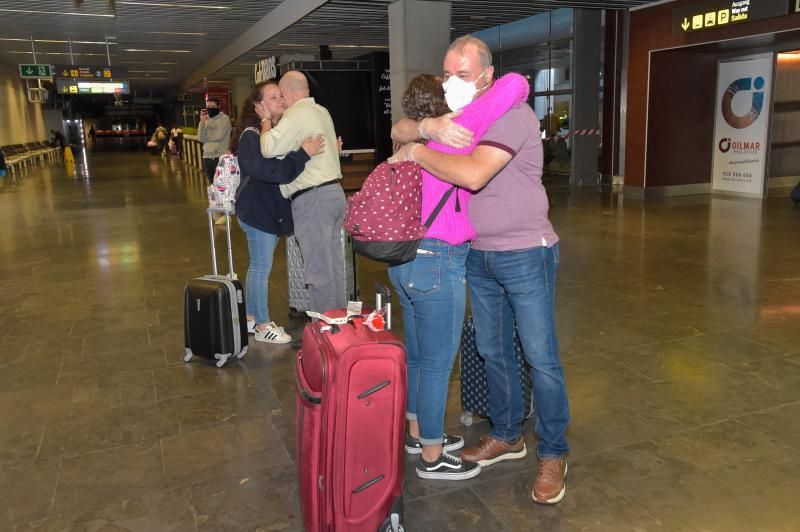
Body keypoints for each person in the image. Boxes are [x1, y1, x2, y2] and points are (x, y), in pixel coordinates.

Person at [389, 35, 571, 504]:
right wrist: (427, 125)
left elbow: (472, 174)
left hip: (526, 251)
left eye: (463, 75)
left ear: (488, 76)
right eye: (447, 74)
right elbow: (398, 129)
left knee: (540, 355)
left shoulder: (513, 115)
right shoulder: (460, 116)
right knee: (492, 350)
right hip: (478, 253)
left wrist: (418, 149)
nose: (452, 84)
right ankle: (508, 434)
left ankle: (553, 452)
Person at [388, 74, 479, 481]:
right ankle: (432, 454)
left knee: (420, 357)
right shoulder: (449, 145)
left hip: (403, 261)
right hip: (438, 261)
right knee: (439, 364)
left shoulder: (406, 144)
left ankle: (416, 431)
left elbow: (400, 127)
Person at [233, 81, 325, 344]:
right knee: (261, 268)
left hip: (263, 212)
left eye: (281, 96)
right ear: (259, 106)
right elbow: (272, 172)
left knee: (257, 267)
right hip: (257, 213)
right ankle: (262, 325)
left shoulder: (270, 134)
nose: (281, 101)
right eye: (273, 97)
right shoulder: (251, 137)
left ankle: (251, 318)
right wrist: (303, 155)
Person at [259, 71, 345, 315]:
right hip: (334, 194)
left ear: (287, 92)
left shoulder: (295, 114)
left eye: (280, 94)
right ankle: (339, 324)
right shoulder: (322, 112)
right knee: (334, 267)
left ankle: (325, 334)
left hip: (313, 199)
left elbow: (267, 148)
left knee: (318, 272)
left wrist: (266, 122)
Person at [198, 98, 232, 184]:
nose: (210, 108)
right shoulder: (204, 121)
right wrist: (202, 123)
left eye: (213, 106)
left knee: (223, 185)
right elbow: (200, 138)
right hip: (207, 157)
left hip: (220, 156)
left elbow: (219, 135)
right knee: (212, 184)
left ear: (218, 107)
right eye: (208, 107)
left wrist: (207, 136)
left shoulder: (224, 118)